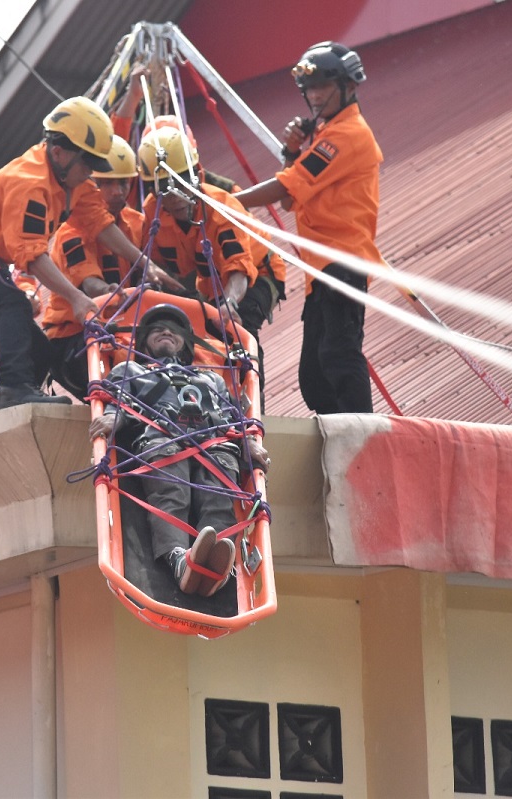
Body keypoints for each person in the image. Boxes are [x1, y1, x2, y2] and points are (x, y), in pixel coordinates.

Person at [0, 96, 175, 410]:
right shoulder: (30, 184)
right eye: (88, 163)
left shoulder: (71, 180)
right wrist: (77, 298)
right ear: (59, 152)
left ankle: (21, 402)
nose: (91, 172)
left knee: (40, 350)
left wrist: (143, 262)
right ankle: (12, 393)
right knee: (12, 305)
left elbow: (99, 223)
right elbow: (32, 255)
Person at [235, 42, 382, 415]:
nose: (314, 96)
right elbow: (290, 201)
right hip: (321, 270)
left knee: (339, 355)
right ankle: (339, 434)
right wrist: (291, 152)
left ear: (349, 86)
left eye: (322, 86)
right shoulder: (324, 134)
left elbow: (286, 187)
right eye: (309, 89)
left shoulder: (346, 136)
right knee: (313, 377)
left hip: (345, 261)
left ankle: (363, 436)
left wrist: (228, 202)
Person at [89, 304, 269, 597]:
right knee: (172, 496)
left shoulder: (211, 380)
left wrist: (248, 444)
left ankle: (216, 563)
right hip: (163, 438)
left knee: (219, 500)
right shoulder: (130, 371)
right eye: (157, 328)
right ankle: (179, 561)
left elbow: (234, 417)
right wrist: (112, 418)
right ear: (144, 341)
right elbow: (117, 403)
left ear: (186, 342)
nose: (165, 331)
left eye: (173, 329)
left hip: (214, 444)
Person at [136, 126, 282, 391]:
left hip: (257, 273)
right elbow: (152, 263)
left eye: (181, 183)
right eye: (165, 190)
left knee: (239, 330)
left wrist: (229, 302)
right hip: (211, 284)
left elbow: (238, 269)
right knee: (200, 339)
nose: (176, 197)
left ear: (197, 175)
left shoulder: (219, 208)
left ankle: (252, 404)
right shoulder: (153, 216)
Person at [44, 135, 150, 398]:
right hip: (72, 339)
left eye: (123, 182)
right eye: (107, 184)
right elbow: (91, 286)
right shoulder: (71, 232)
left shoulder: (138, 223)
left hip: (122, 331)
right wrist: (113, 291)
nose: (118, 192)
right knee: (125, 381)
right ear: (90, 184)